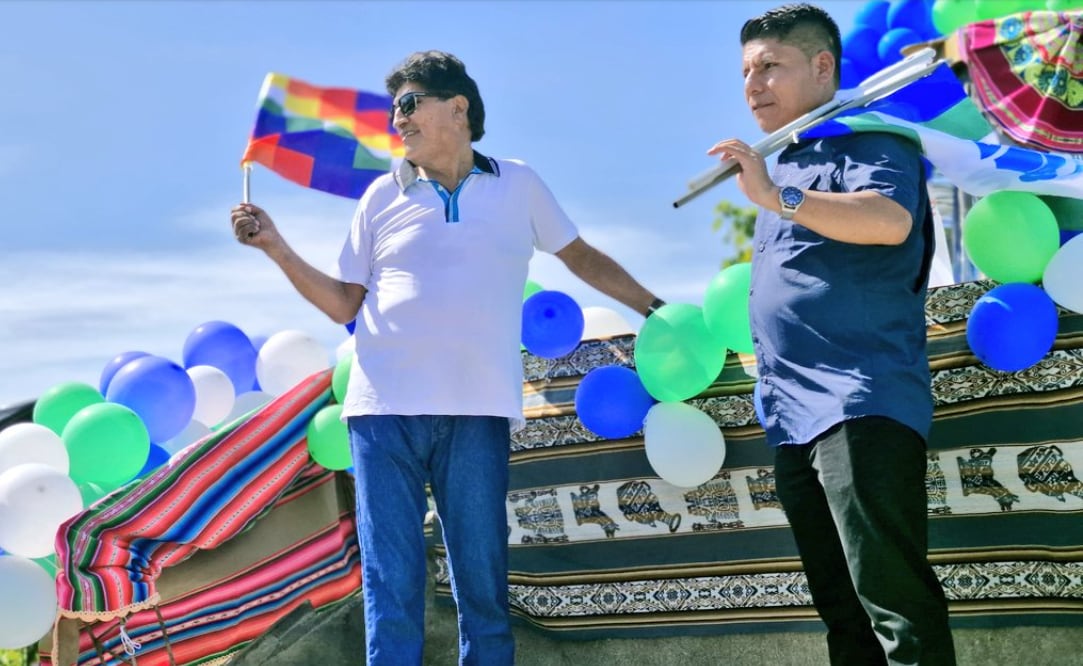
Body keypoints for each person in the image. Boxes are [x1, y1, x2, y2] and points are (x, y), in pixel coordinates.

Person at [230, 50, 663, 666]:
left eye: (408, 105)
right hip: (383, 415)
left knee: (482, 584)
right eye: (393, 111)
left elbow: (582, 257)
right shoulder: (380, 197)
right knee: (392, 583)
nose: (397, 121)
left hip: (476, 411)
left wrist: (654, 306)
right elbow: (341, 303)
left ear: (457, 107)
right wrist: (275, 246)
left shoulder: (519, 183)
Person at [706, 5, 956, 665]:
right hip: (790, 417)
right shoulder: (782, 164)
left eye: (769, 66)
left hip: (858, 402)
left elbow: (888, 220)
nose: (752, 85)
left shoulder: (871, 138)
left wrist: (774, 198)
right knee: (843, 618)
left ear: (821, 66)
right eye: (745, 72)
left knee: (894, 609)